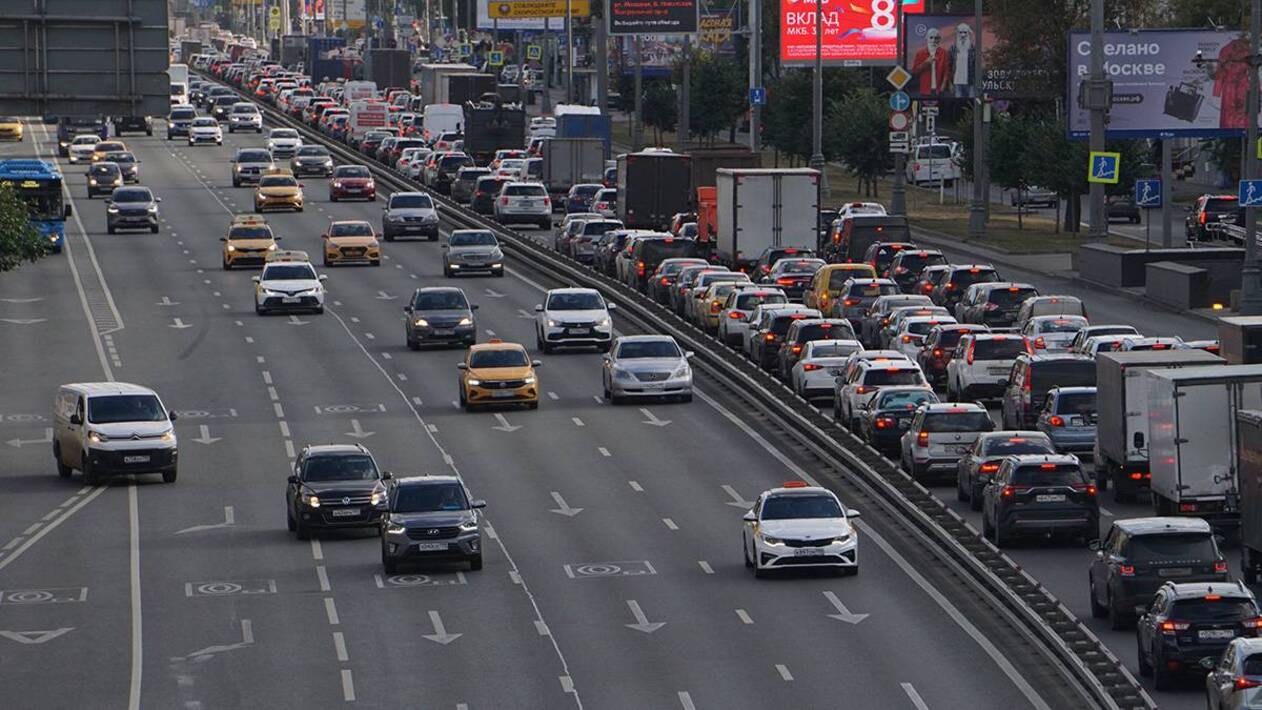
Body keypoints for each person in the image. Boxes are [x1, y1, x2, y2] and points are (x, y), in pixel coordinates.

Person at [1212, 34, 1252, 130]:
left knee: (1233, 111)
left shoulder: (1226, 49)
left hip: (1232, 85)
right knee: (1239, 110)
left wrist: (1217, 91)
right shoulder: (1248, 50)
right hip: (1240, 85)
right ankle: (1242, 129)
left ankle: (1233, 130)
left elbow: (1220, 71)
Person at [911, 28, 949, 96]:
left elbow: (946, 71)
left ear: (939, 40)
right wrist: (926, 62)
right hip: (925, 90)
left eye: (936, 38)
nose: (933, 40)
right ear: (927, 39)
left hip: (939, 90)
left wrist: (943, 85)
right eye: (931, 37)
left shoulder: (943, 53)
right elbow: (915, 71)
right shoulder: (920, 53)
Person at [949, 23, 976, 98]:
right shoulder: (953, 49)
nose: (963, 35)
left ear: (968, 33)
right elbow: (949, 65)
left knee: (971, 102)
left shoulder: (973, 49)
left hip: (970, 82)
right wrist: (950, 82)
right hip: (957, 82)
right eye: (960, 32)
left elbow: (976, 66)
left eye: (965, 32)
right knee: (958, 102)